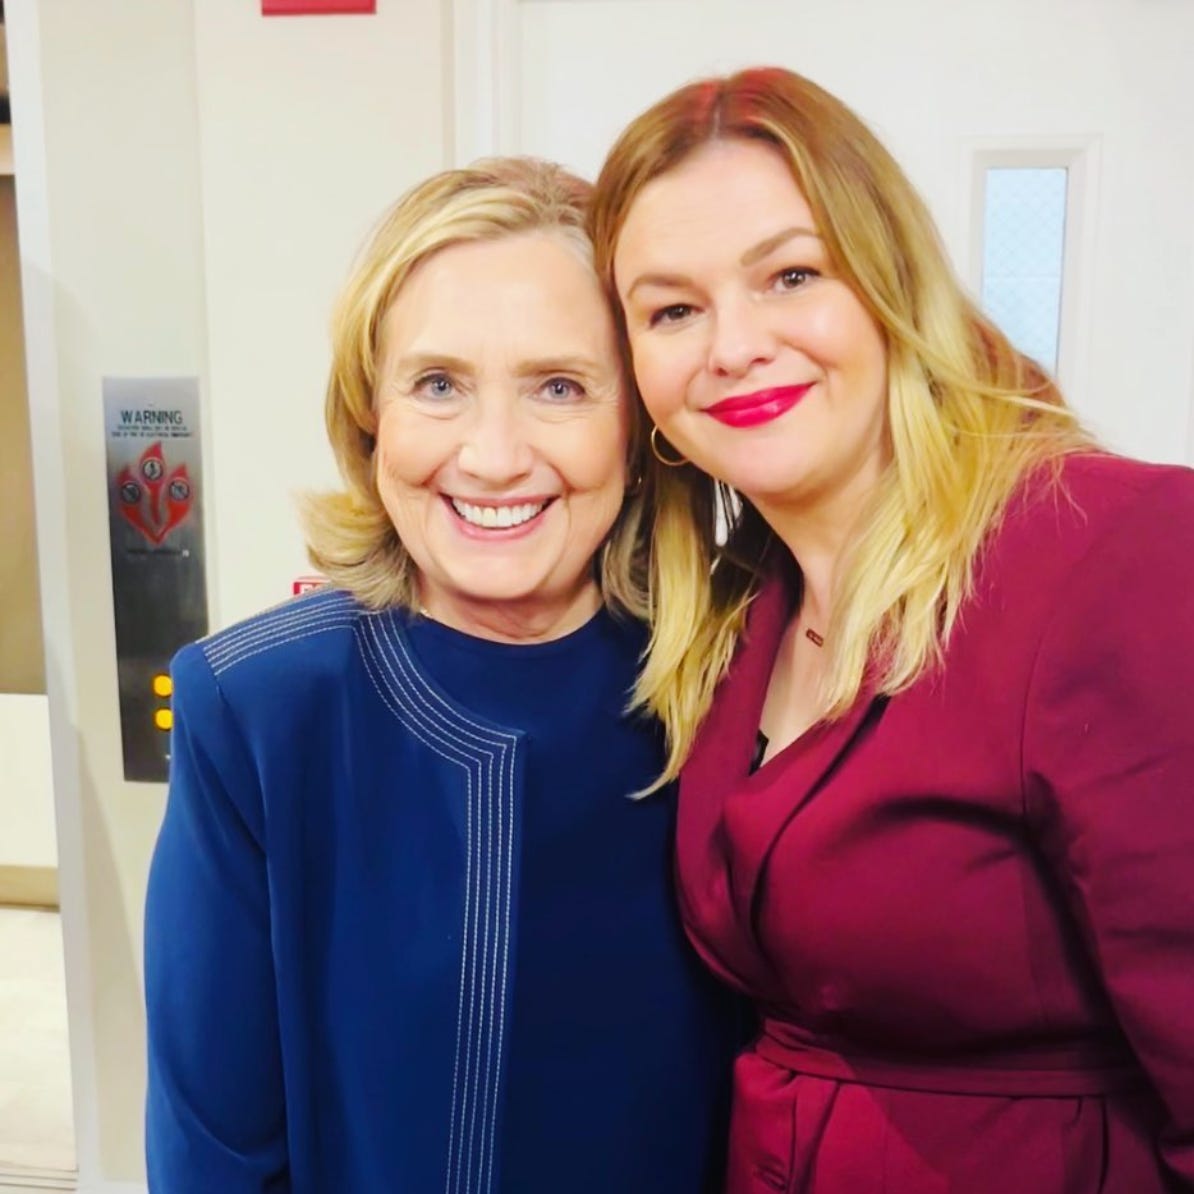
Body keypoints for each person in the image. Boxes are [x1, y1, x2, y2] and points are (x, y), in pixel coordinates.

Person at [589, 67, 1194, 1193]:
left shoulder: (1119, 549)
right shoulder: (729, 618)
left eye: (790, 276)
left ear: (890, 283)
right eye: (673, 309)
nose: (732, 346)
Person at [143, 157, 739, 1194]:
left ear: (639, 432)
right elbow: (215, 1155)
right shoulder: (256, 710)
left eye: (558, 387)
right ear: (372, 419)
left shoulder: (744, 682)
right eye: (438, 385)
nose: (495, 455)